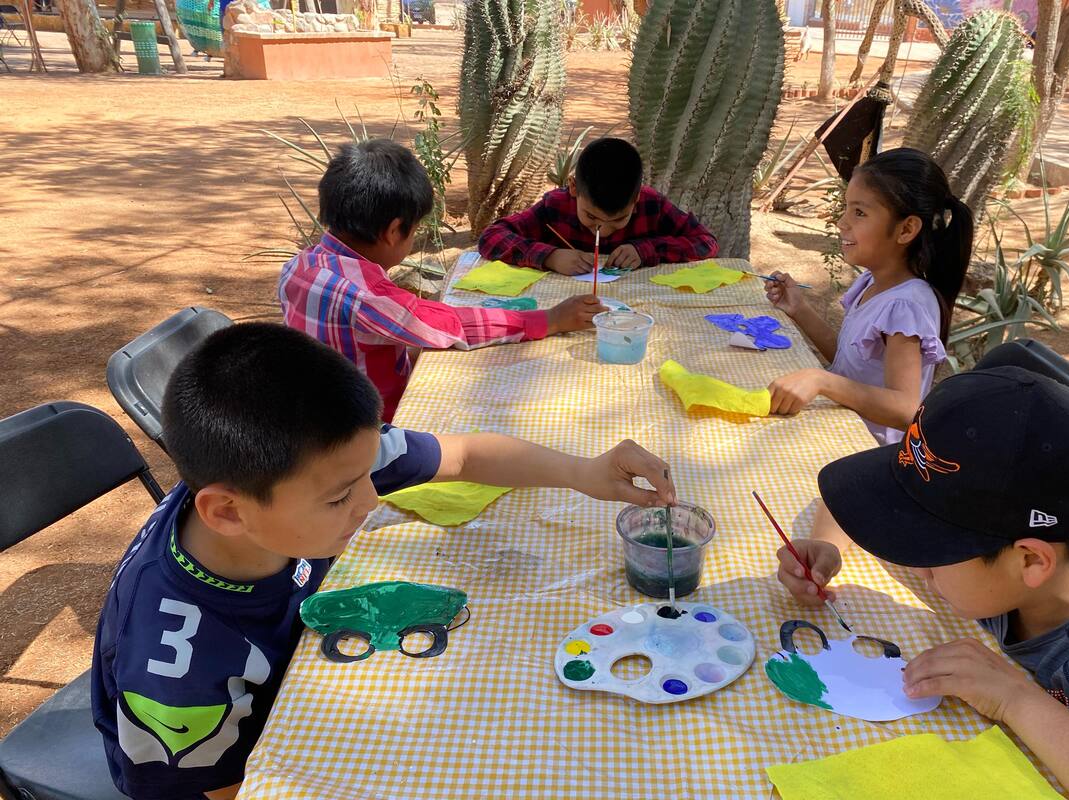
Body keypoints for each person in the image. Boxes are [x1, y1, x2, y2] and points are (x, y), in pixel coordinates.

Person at [92, 323, 677, 800]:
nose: (371, 501)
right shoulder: (175, 669)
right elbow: (216, 793)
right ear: (227, 512)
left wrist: (583, 471)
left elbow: (466, 454)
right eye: (342, 497)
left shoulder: (310, 466)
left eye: (366, 478)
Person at [776, 367, 1069, 800]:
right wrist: (827, 545)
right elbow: (857, 501)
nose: (917, 566)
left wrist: (1014, 698)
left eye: (932, 552)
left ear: (1032, 561)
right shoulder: (1026, 545)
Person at [279, 138, 602, 422]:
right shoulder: (367, 295)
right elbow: (448, 325)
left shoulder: (298, 267)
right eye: (414, 230)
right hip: (372, 431)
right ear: (393, 231)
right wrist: (548, 319)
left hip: (316, 413)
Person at [764, 147, 973, 445]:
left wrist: (821, 380)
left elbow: (905, 408)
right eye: (847, 208)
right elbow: (850, 363)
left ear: (907, 229)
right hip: (843, 431)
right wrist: (799, 309)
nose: (842, 222)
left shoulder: (907, 305)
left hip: (869, 454)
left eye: (859, 212)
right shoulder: (872, 283)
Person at [477, 137, 719, 275]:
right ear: (573, 188)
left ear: (636, 200)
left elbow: (706, 243)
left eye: (618, 221)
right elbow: (491, 238)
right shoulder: (557, 207)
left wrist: (647, 250)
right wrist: (550, 257)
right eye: (591, 217)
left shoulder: (651, 205)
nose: (602, 230)